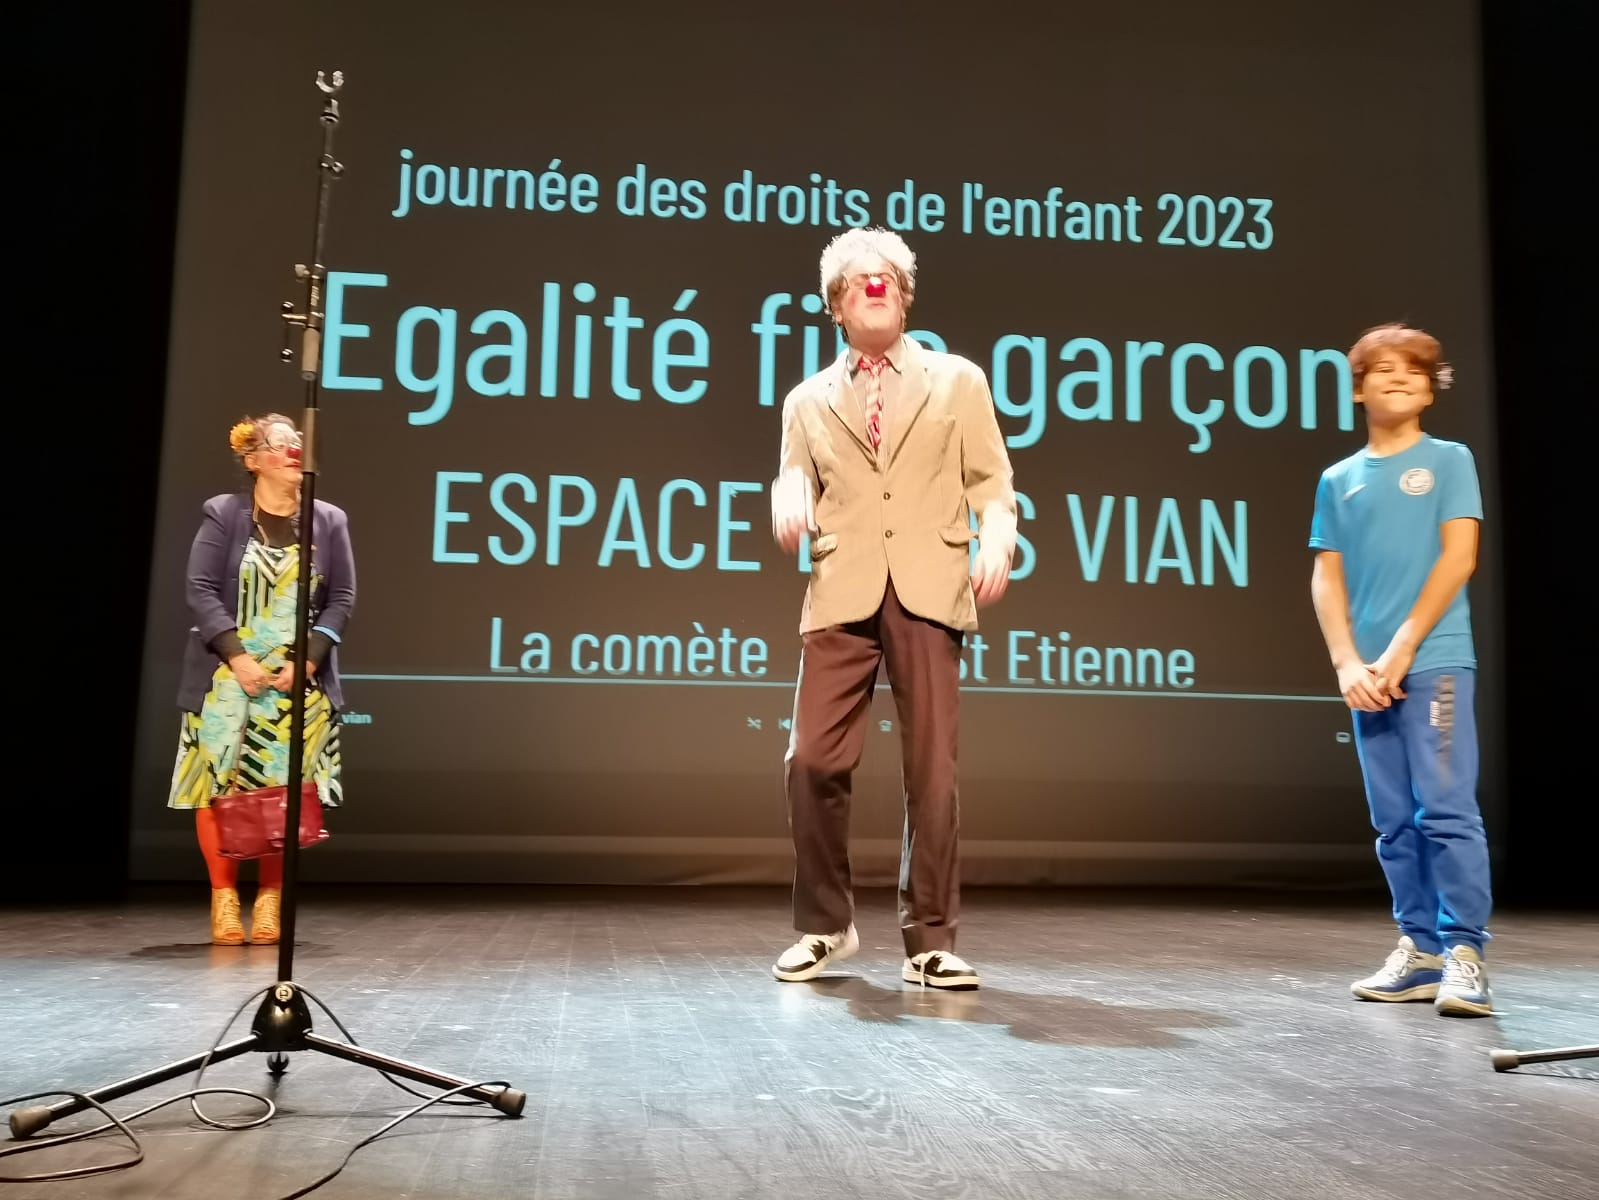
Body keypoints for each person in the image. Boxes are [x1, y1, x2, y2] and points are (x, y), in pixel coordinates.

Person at [769, 228, 1016, 990]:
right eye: (857, 280)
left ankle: (930, 939)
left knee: (931, 772)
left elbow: (991, 482)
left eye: (886, 278)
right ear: (835, 305)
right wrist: (787, 497)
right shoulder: (806, 399)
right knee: (811, 760)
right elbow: (793, 475)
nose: (873, 287)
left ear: (904, 298)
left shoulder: (958, 381)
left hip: (927, 583)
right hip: (841, 587)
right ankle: (826, 925)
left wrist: (996, 535)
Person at [1309, 323, 1493, 1017]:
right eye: (1381, 369)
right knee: (1392, 821)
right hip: (1369, 674)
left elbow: (1459, 558)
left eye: (1413, 370)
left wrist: (1401, 649)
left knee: (1444, 810)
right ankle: (1418, 950)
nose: (1397, 378)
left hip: (1433, 661)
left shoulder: (1449, 461)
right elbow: (1327, 576)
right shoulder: (1339, 479)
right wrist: (1346, 662)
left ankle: (1464, 952)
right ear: (1358, 389)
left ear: (1430, 389)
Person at [168, 414, 356, 946]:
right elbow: (201, 588)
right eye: (280, 443)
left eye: (298, 442)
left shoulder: (329, 520)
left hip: (295, 681)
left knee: (284, 793)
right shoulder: (224, 514)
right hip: (227, 677)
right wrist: (237, 656)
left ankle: (270, 899)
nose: (294, 450)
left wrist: (309, 660)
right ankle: (224, 898)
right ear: (253, 461)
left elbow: (341, 599)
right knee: (216, 789)